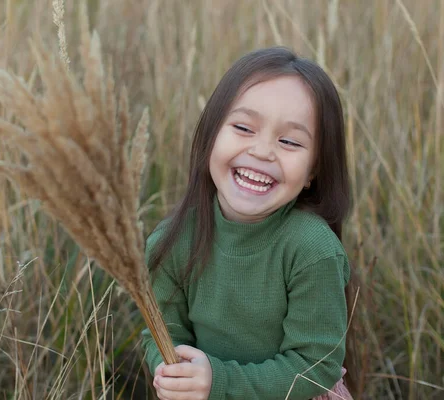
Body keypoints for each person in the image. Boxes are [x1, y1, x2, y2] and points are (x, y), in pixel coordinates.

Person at [141, 47, 356, 400]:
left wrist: (220, 382)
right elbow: (162, 331)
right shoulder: (173, 240)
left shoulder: (311, 249)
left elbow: (316, 365)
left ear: (313, 171)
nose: (262, 151)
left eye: (289, 141)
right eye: (243, 127)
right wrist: (170, 371)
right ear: (211, 135)